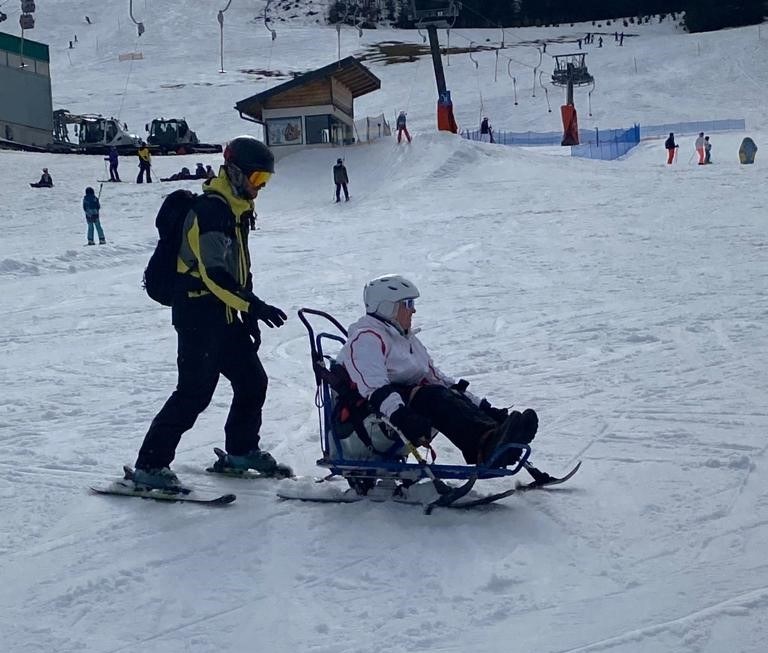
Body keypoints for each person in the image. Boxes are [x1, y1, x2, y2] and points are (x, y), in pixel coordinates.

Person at [131, 135, 289, 489]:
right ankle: (150, 466)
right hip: (198, 314)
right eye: (256, 180)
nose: (260, 189)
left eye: (265, 181)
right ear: (235, 173)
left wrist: (245, 314)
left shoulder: (236, 210)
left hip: (225, 313)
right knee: (194, 393)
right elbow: (213, 274)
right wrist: (253, 305)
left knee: (252, 382)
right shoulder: (213, 211)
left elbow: (236, 271)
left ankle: (242, 450)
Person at [336, 275, 539, 469]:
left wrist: (487, 410)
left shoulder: (406, 340)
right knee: (432, 396)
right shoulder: (366, 340)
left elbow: (439, 380)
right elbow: (375, 387)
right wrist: (401, 415)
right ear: (387, 307)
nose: (413, 311)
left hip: (396, 412)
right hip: (369, 421)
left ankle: (496, 432)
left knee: (442, 392)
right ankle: (485, 445)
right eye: (407, 304)